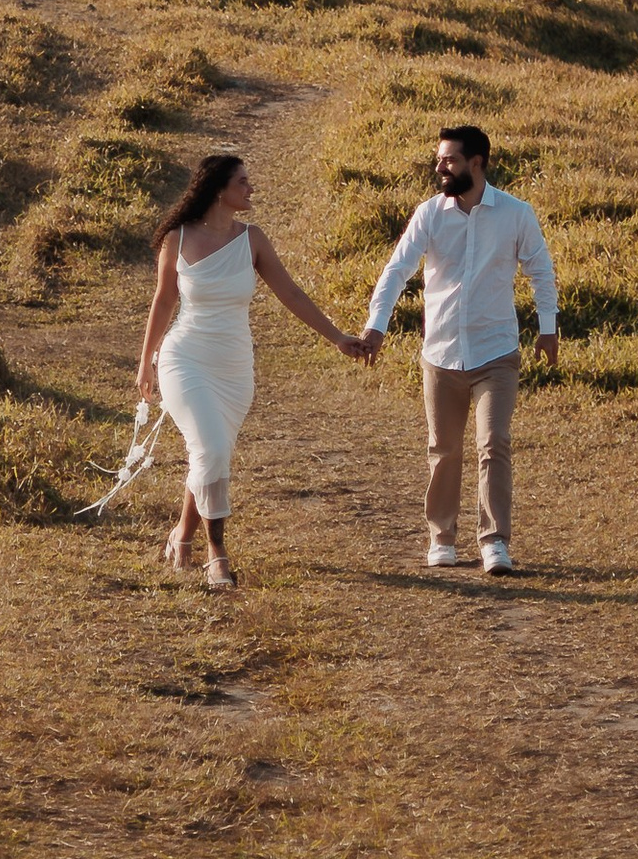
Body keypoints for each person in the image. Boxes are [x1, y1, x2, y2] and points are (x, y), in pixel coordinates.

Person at [137, 147, 375, 591]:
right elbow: (164, 299)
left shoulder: (253, 240)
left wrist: (337, 336)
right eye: (243, 182)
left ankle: (181, 537)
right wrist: (144, 362)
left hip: (234, 366)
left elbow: (292, 295)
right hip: (184, 357)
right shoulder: (178, 238)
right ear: (218, 189)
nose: (251, 188)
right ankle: (217, 555)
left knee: (211, 453)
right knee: (208, 447)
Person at [363, 124, 561, 576]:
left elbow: (541, 272)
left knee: (494, 443)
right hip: (442, 354)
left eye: (449, 159)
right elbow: (397, 272)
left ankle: (495, 542)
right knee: (445, 448)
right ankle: (442, 537)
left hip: (497, 352)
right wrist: (377, 326)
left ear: (477, 163)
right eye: (440, 159)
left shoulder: (515, 213)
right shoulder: (429, 214)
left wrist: (547, 329)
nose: (440, 167)